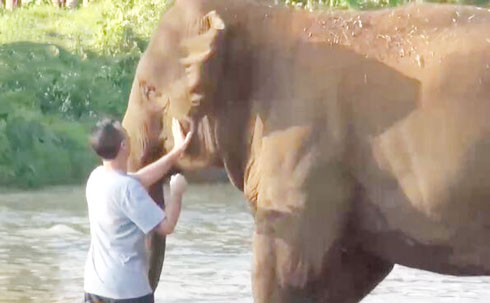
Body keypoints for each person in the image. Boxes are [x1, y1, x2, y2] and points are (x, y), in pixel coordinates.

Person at [83, 118, 193, 303]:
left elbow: (141, 178)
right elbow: (166, 227)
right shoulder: (127, 189)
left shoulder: (97, 177)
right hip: (128, 291)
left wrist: (177, 152)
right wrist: (177, 193)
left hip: (96, 286)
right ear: (124, 145)